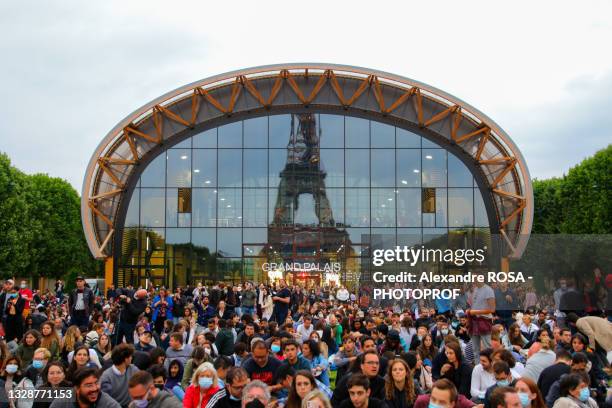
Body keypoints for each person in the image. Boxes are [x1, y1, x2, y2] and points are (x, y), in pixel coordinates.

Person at [49, 367, 120, 408]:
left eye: (96, 383)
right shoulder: (63, 402)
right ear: (77, 388)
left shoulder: (109, 405)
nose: (95, 388)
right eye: (89, 385)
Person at [100, 343, 140, 407]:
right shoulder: (106, 377)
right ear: (125, 359)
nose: (131, 358)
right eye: (130, 356)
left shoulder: (133, 369)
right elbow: (105, 400)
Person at [467, 278, 496, 357]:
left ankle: (489, 367)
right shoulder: (475, 289)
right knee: (475, 349)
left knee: (487, 348)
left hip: (484, 321)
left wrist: (475, 312)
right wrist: (470, 310)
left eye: (475, 278)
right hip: (474, 321)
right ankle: (478, 367)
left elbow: (492, 309)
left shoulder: (488, 290)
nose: (473, 280)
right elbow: (475, 305)